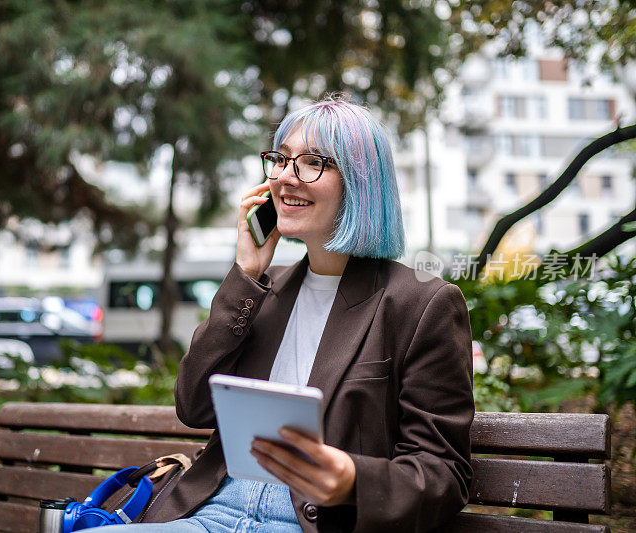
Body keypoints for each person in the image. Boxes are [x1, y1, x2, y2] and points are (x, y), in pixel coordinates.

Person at [83, 96, 473, 532]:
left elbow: (444, 473)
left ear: (361, 184)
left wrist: (352, 481)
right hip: (211, 516)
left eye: (312, 163)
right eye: (281, 160)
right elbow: (193, 407)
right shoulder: (264, 290)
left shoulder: (420, 304)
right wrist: (246, 273)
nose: (287, 178)